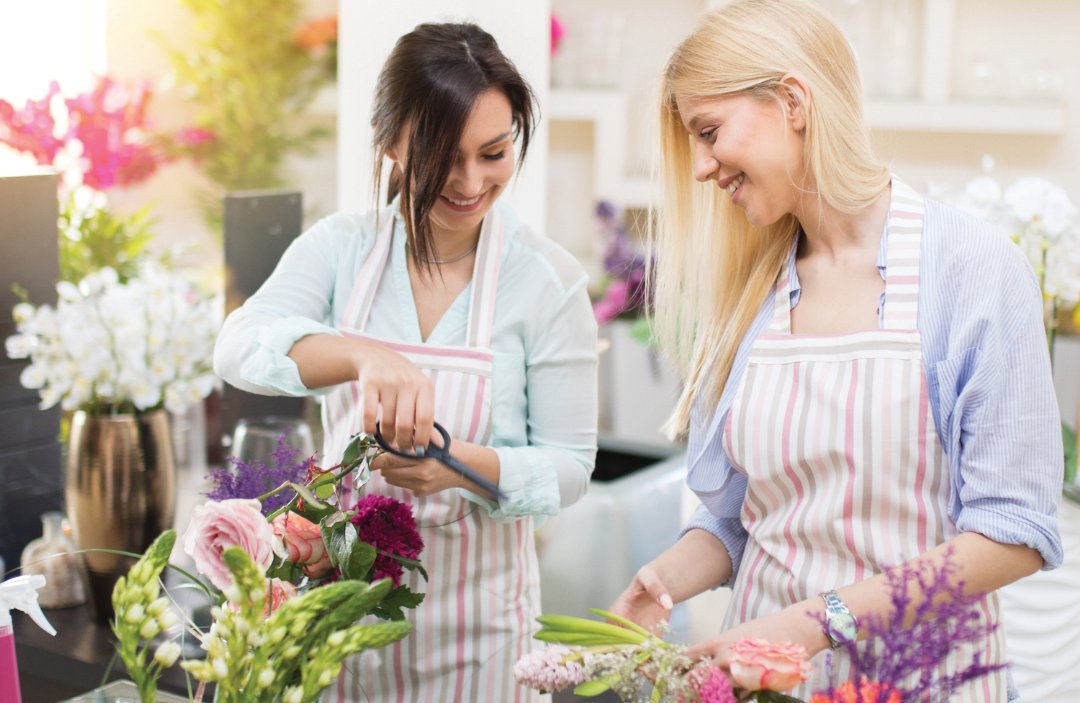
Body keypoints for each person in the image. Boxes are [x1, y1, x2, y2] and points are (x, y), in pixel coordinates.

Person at [609, 1, 1063, 700]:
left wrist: (819, 622)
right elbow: (739, 517)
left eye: (709, 132)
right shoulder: (753, 285)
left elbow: (1014, 532)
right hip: (765, 680)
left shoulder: (971, 269)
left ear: (792, 102)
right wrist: (662, 579)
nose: (700, 167)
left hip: (922, 678)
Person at [214, 21, 598, 702]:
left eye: (493, 153)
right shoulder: (342, 249)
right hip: (343, 629)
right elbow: (238, 345)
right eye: (444, 156)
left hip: (484, 643)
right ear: (390, 141)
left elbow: (570, 466)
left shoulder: (547, 280)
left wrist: (459, 467)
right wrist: (360, 354)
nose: (470, 181)